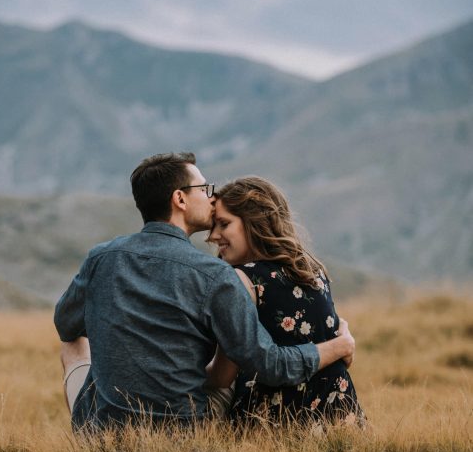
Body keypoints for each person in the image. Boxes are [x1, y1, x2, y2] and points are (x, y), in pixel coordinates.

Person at [54, 153, 356, 430]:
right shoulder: (215, 275)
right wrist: (339, 346)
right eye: (204, 189)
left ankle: (95, 434)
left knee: (73, 346)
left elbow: (66, 325)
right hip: (185, 433)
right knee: (236, 363)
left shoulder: (101, 258)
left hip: (103, 431)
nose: (212, 197)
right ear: (180, 199)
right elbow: (267, 364)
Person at [208, 176, 365, 426]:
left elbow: (222, 377)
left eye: (224, 224)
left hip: (276, 421)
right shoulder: (313, 268)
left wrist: (180, 375)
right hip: (340, 414)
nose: (213, 236)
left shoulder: (241, 280)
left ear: (254, 221)